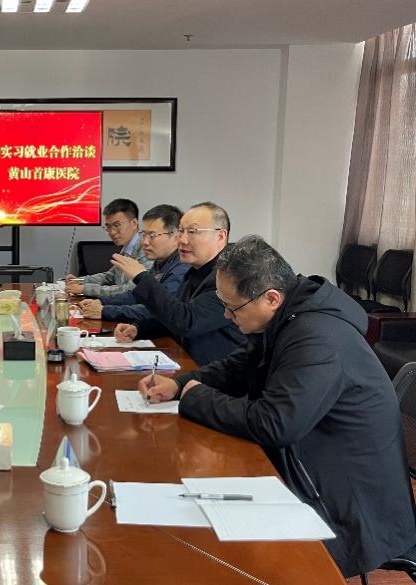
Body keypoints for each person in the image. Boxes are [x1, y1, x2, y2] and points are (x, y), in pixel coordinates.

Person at [139, 236, 416, 578]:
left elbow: (274, 424)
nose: (226, 315)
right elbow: (240, 365)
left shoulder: (317, 337)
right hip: (313, 470)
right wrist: (181, 384)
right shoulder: (288, 315)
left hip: (351, 508)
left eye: (233, 308)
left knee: (218, 556)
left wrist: (196, 397)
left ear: (271, 297)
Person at [111, 201, 245, 365]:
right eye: (181, 231)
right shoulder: (195, 271)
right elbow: (174, 315)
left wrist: (142, 277)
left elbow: (187, 321)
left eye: (192, 232)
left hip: (218, 373)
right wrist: (139, 328)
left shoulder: (230, 275)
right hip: (188, 364)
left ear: (220, 236)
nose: (182, 239)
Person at [79, 204, 188, 321]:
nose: (145, 242)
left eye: (152, 235)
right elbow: (138, 295)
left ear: (176, 237)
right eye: (143, 235)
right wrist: (101, 301)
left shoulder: (182, 268)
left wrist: (105, 311)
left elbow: (160, 310)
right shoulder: (160, 262)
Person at [65, 198, 152, 297]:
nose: (112, 232)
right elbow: (110, 277)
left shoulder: (147, 249)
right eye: (108, 227)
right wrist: (79, 280)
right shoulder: (127, 247)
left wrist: (85, 289)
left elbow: (131, 290)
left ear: (134, 223)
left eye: (117, 225)